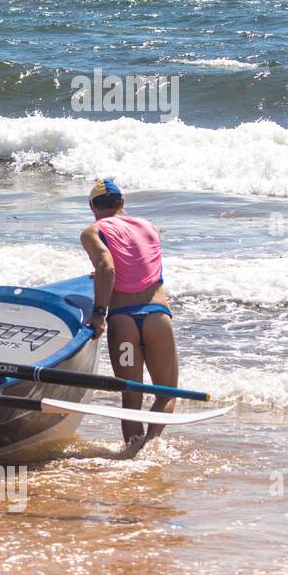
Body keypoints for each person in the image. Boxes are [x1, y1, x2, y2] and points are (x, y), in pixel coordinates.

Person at [79, 178, 178, 445]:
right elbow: (135, 258)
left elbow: (108, 267)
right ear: (122, 203)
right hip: (157, 318)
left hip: (123, 322)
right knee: (166, 393)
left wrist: (98, 314)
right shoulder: (151, 227)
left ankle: (133, 452)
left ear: (92, 207)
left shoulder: (92, 231)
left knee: (131, 397)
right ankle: (150, 447)